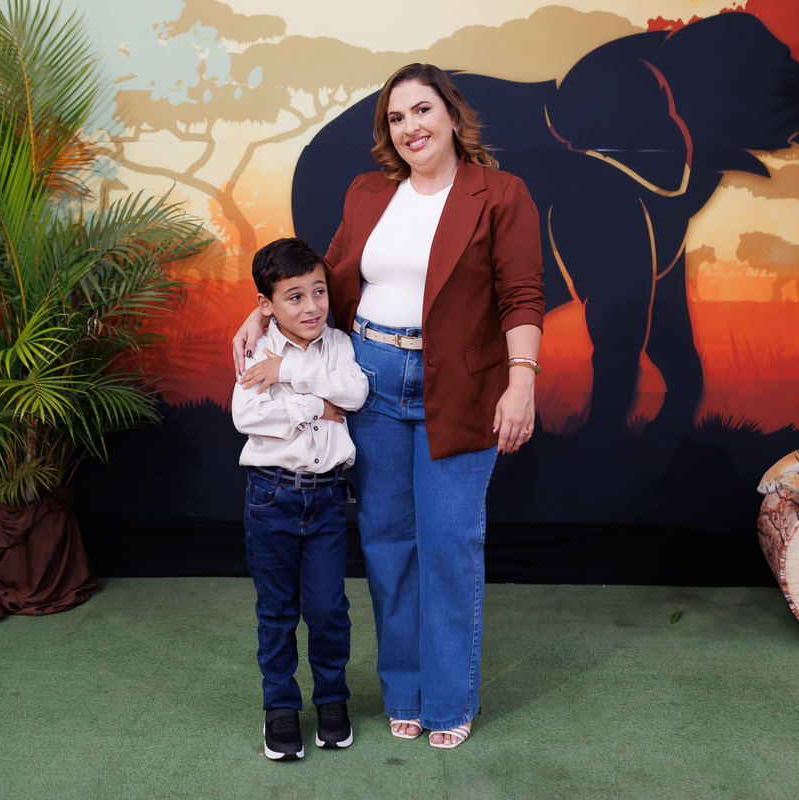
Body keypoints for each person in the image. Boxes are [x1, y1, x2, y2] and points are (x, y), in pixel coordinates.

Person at [235, 63, 544, 750]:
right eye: (396, 118)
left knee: (449, 547)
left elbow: (522, 295)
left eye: (422, 110)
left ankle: (450, 701)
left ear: (452, 115)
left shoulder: (501, 194)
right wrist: (263, 314)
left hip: (460, 386)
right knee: (387, 545)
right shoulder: (369, 191)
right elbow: (326, 279)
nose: (410, 127)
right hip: (370, 377)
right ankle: (404, 693)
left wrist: (521, 382)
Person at [232, 237, 370, 761]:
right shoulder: (257, 348)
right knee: (277, 611)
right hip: (271, 497)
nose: (311, 306)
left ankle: (332, 699)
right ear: (265, 305)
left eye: (319, 291)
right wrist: (318, 408)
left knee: (328, 608)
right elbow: (248, 416)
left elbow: (354, 394)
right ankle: (281, 708)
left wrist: (289, 376)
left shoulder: (338, 345)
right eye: (294, 297)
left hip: (328, 498)